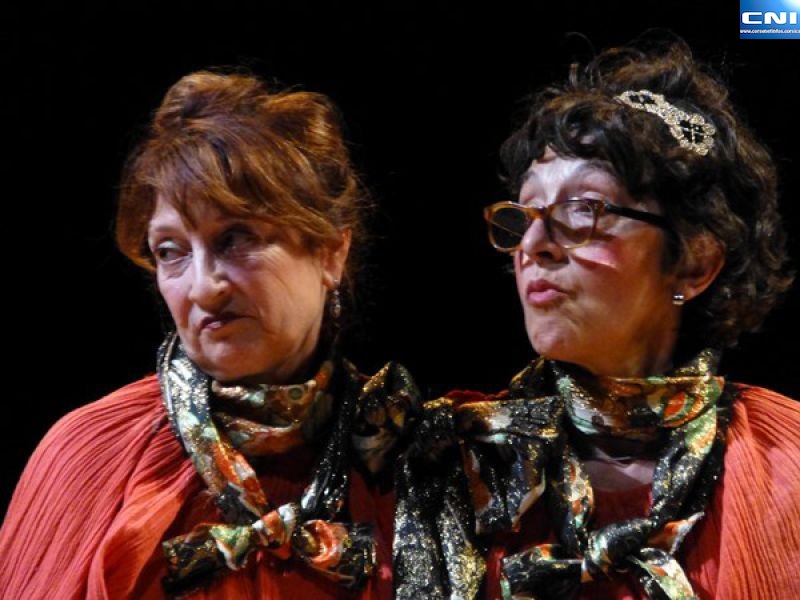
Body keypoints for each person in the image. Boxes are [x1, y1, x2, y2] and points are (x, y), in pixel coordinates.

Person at [394, 38, 800, 599]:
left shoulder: (788, 459)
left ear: (694, 262)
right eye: (524, 215)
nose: (533, 244)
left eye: (583, 209)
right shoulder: (452, 457)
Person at [0, 71, 419, 599]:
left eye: (235, 238)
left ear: (331, 251)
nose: (203, 287)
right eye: (170, 251)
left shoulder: (409, 463)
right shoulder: (88, 455)